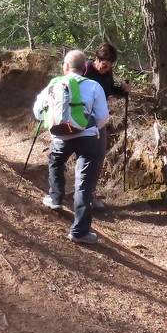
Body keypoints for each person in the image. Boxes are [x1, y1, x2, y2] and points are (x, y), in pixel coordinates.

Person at [32, 50, 109, 244]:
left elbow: (38, 111)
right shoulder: (94, 86)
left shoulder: (54, 84)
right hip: (88, 138)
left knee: (56, 161)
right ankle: (80, 232)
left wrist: (53, 123)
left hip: (60, 136)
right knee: (84, 183)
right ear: (85, 68)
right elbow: (103, 118)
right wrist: (85, 126)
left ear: (65, 67)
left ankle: (55, 198)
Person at [81, 43, 128, 211]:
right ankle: (63, 189)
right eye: (104, 64)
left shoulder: (107, 73)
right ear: (97, 59)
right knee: (80, 153)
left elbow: (109, 88)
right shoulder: (85, 69)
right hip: (81, 118)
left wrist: (122, 89)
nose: (106, 69)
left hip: (99, 119)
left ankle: (89, 194)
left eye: (110, 66)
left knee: (99, 155)